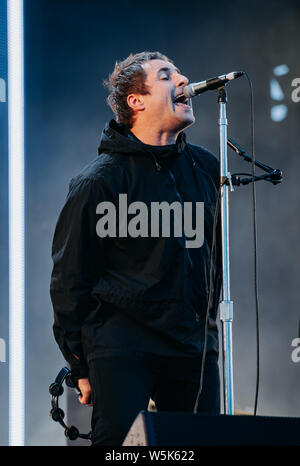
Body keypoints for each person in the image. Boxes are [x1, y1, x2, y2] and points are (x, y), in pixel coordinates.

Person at [50, 51, 222, 446]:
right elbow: (69, 279)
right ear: (136, 100)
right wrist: (78, 363)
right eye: (166, 75)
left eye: (181, 73)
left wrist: (208, 332)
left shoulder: (205, 169)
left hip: (191, 348)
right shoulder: (99, 182)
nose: (182, 80)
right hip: (122, 346)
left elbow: (213, 261)